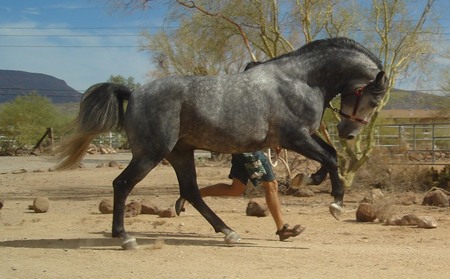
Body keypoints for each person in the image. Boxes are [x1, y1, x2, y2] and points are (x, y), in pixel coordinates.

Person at [175, 151, 305, 241]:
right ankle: (282, 229)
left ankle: (191, 195)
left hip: (241, 148)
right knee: (271, 185)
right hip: (250, 149)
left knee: (235, 189)